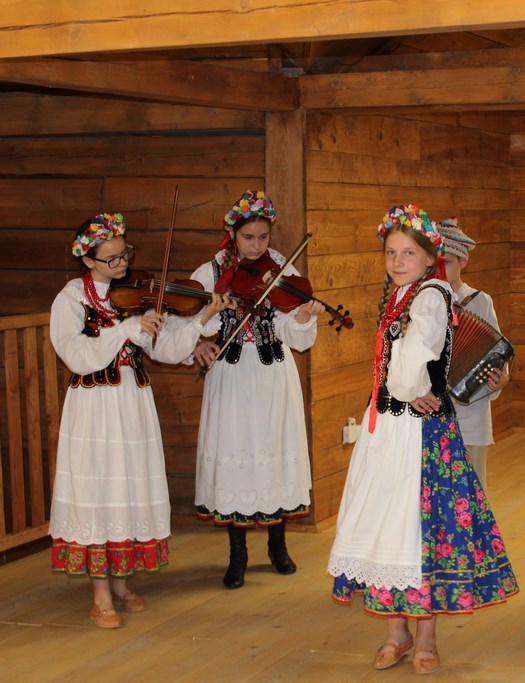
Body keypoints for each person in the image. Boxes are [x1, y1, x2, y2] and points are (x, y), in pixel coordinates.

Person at [327, 205, 518, 675]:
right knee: (389, 526)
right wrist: (399, 394)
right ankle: (397, 634)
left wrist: (411, 389)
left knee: (423, 531)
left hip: (419, 432)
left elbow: (417, 351)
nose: (397, 261)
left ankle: (426, 639)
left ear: (431, 257)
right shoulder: (399, 295)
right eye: (391, 252)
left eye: (408, 253)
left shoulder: (432, 294)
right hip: (388, 427)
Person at [49, 213, 232, 628]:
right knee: (98, 489)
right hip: (93, 407)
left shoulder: (135, 294)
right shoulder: (71, 299)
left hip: (132, 402)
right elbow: (76, 355)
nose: (122, 265)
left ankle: (120, 583)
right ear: (88, 261)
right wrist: (124, 330)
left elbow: (163, 348)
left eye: (125, 255)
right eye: (111, 259)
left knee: (127, 487)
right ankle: (100, 595)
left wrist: (201, 320)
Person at [190, 189, 324, 590]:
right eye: (249, 237)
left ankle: (278, 548)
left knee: (272, 454)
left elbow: (293, 334)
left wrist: (302, 317)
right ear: (233, 234)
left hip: (272, 377)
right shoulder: (211, 271)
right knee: (238, 456)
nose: (257, 245)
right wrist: (196, 343)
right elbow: (185, 323)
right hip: (231, 378)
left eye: (263, 237)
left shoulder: (279, 267)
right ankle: (238, 556)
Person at [436, 217, 510, 490]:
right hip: (432, 412)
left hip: (471, 412)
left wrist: (500, 378)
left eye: (447, 262)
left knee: (472, 489)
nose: (440, 269)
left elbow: (498, 350)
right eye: (435, 262)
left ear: (463, 262)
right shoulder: (423, 301)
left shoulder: (480, 301)